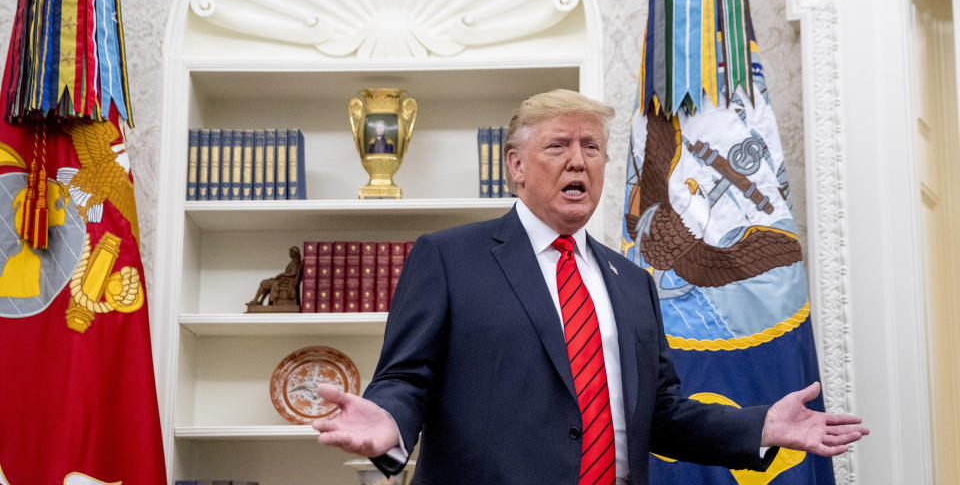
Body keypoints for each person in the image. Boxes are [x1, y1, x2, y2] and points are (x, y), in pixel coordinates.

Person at [314, 90, 867, 484]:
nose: (579, 160)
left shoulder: (633, 283)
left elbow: (662, 414)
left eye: (592, 147)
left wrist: (761, 425)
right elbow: (407, 377)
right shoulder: (449, 257)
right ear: (516, 167)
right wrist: (388, 421)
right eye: (558, 146)